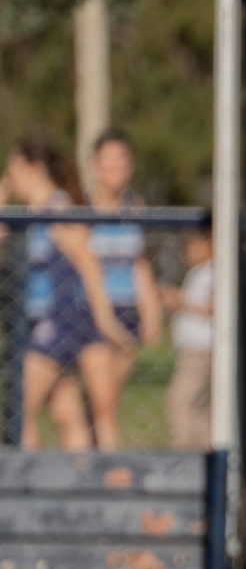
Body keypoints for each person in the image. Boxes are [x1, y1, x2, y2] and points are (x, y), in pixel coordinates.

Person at [0, 135, 131, 451]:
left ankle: (24, 486)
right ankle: (79, 486)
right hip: (40, 322)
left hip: (60, 322)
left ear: (34, 168)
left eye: (14, 167)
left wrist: (105, 318)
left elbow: (87, 262)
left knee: (20, 412)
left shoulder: (56, 208)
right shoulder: (29, 214)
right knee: (67, 414)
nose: (9, 173)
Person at [71, 131, 162, 450]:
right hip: (90, 313)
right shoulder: (80, 208)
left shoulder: (134, 207)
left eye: (121, 159)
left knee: (105, 403)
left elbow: (137, 263)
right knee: (103, 405)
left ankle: (91, 461)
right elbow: (84, 266)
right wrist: (104, 318)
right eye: (107, 160)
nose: (115, 167)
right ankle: (114, 478)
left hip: (126, 311)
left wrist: (151, 312)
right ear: (95, 166)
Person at [161, 229, 213, 449]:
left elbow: (213, 308)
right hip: (192, 347)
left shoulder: (214, 271)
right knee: (193, 404)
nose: (187, 252)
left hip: (202, 347)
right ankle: (205, 448)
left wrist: (179, 301)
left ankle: (186, 447)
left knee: (180, 400)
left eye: (193, 246)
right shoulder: (198, 271)